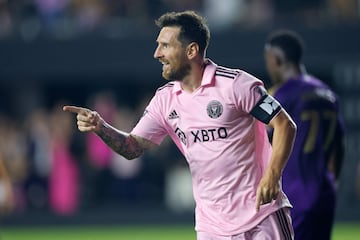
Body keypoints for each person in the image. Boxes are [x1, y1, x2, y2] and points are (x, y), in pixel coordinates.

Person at [64, 11, 297, 240]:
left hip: (261, 216)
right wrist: (101, 127)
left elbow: (285, 125)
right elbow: (131, 147)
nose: (157, 54)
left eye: (165, 46)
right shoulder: (165, 100)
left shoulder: (236, 85)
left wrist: (273, 176)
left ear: (192, 50)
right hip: (211, 227)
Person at [264, 29, 345, 240]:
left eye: (269, 61)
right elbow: (339, 147)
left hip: (295, 191)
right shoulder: (329, 94)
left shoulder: (281, 94)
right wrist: (331, 180)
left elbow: (260, 134)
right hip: (325, 191)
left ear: (278, 59)